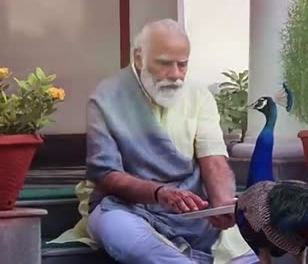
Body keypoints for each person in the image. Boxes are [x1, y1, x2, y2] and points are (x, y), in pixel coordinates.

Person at [84, 19, 258, 263]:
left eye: (182, 65)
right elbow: (106, 174)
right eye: (165, 63)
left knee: (247, 253)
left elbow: (214, 160)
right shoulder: (106, 98)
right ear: (138, 58)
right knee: (128, 238)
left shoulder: (199, 95)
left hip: (192, 209)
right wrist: (159, 193)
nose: (175, 75)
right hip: (125, 208)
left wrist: (221, 205)